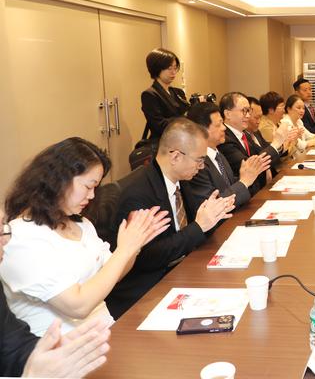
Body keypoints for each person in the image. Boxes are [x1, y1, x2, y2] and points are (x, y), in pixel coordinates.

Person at [0, 138, 170, 337]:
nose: (92, 196)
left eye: (95, 188)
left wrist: (135, 244)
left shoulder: (81, 224)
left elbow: (113, 273)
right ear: (59, 180)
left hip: (105, 331)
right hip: (63, 346)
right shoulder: (20, 238)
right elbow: (78, 306)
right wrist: (125, 249)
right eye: (88, 186)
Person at [105, 118, 236, 318]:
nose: (202, 167)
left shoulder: (182, 180)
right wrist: (199, 226)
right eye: (199, 160)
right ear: (175, 157)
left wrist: (211, 216)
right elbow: (147, 257)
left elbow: (192, 229)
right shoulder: (139, 194)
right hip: (149, 288)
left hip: (183, 269)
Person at [1, 220, 111, 378]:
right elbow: (78, 306)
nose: (5, 241)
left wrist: (55, 351)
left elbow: (14, 346)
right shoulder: (22, 241)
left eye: (3, 228)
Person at [183, 102, 271, 216]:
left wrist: (245, 177)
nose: (224, 128)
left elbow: (229, 186)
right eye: (218, 124)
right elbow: (211, 208)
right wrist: (244, 181)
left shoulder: (218, 154)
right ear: (201, 130)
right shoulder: (196, 165)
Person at [217, 92, 288, 194]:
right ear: (228, 114)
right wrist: (276, 143)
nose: (248, 116)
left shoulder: (244, 134)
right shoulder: (224, 139)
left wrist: (279, 145)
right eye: (244, 111)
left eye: (249, 111)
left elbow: (261, 153)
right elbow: (250, 166)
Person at [140, 48, 190, 140]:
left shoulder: (178, 92)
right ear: (157, 68)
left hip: (182, 139)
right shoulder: (149, 95)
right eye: (169, 68)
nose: (173, 72)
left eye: (175, 68)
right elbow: (159, 125)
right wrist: (184, 118)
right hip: (163, 142)